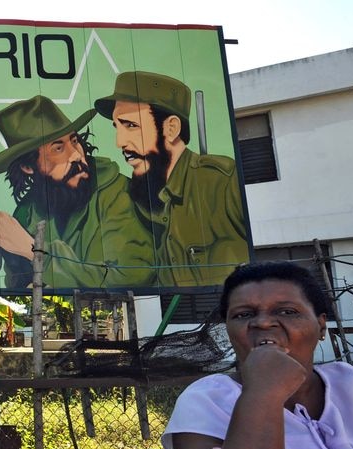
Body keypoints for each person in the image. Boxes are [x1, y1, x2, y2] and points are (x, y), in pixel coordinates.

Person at [162, 261, 353, 449]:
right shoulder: (206, 403)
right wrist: (262, 394)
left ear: (321, 326)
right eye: (243, 314)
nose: (263, 323)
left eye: (287, 311)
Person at [0, 95, 154, 289]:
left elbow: (131, 277)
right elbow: (22, 289)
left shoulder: (117, 194)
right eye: (59, 148)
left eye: (74, 141)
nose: (76, 155)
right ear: (28, 166)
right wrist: (13, 256)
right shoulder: (27, 213)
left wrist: (32, 250)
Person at [94, 71, 248, 287]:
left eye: (131, 125)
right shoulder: (137, 201)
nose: (120, 142)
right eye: (117, 127)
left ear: (171, 128)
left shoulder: (222, 183)